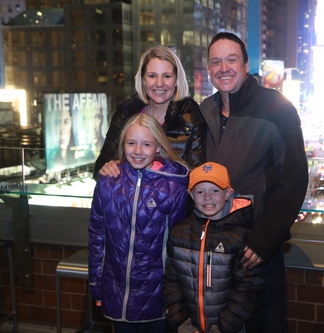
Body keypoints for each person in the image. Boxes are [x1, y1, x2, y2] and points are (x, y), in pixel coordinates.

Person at [199, 32, 309, 333]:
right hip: (215, 253)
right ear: (209, 69)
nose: (224, 68)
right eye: (216, 62)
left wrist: (264, 241)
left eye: (231, 60)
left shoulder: (276, 108)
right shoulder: (204, 111)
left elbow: (295, 178)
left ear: (246, 65)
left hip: (257, 252)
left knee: (265, 325)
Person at [88, 113, 190, 333]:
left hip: (158, 297)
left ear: (158, 147)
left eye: (146, 144)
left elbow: (178, 247)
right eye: (131, 143)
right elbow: (98, 237)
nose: (137, 150)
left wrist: (177, 295)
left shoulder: (173, 187)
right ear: (123, 144)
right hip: (117, 296)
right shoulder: (108, 182)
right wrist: (96, 286)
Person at [163, 162, 263, 333]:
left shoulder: (241, 236)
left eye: (215, 190)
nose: (207, 197)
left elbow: (247, 290)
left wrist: (222, 328)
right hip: (188, 328)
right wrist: (181, 323)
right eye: (200, 191)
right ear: (191, 195)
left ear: (228, 193)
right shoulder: (178, 233)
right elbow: (171, 282)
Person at [93, 44, 206, 179]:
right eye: (152, 75)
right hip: (129, 199)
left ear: (176, 80)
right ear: (143, 80)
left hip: (173, 200)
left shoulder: (192, 119)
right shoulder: (124, 115)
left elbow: (198, 181)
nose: (159, 83)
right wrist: (107, 169)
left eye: (167, 76)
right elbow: (99, 171)